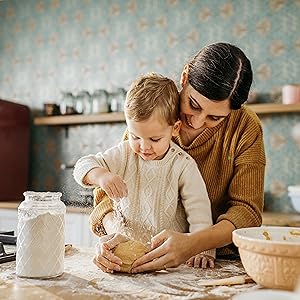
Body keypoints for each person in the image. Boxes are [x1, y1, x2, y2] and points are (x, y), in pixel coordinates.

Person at [76, 42, 265, 274]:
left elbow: (247, 212)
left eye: (214, 118)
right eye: (193, 104)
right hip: (144, 254)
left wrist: (196, 244)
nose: (195, 122)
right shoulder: (152, 114)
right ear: (185, 78)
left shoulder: (245, 127)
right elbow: (106, 195)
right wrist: (116, 234)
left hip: (211, 262)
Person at [73, 73, 215, 273]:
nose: (144, 146)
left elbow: (199, 211)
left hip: (166, 262)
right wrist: (101, 175)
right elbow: (83, 165)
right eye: (135, 136)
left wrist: (203, 250)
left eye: (155, 139)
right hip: (126, 254)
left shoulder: (183, 165)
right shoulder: (124, 152)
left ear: (174, 128)